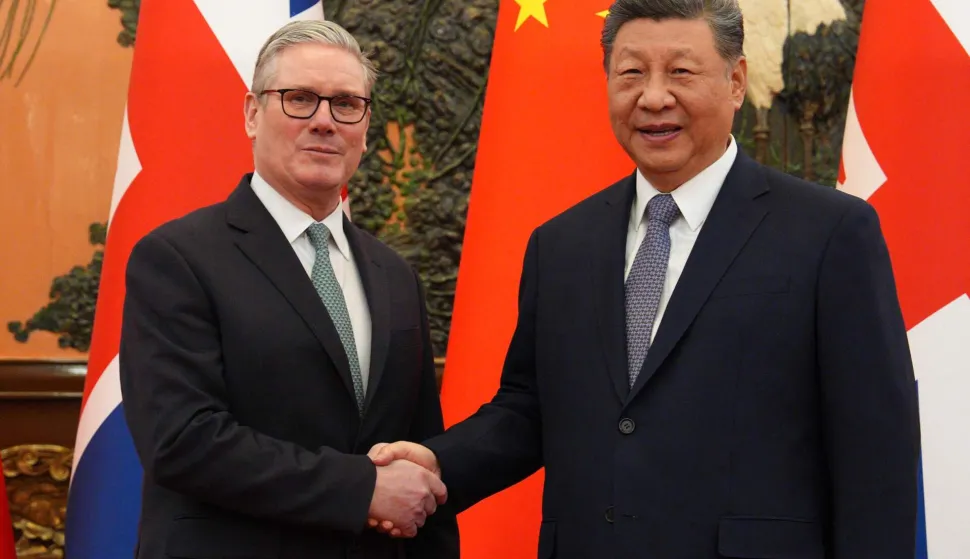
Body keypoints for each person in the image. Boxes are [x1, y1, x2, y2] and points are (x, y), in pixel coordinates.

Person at [369, 0, 921, 557]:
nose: (654, 97)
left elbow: (876, 452)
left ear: (736, 82)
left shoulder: (829, 233)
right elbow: (530, 407)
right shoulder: (560, 244)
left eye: (681, 71)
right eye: (631, 73)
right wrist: (440, 463)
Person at [118, 20, 458, 559]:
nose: (325, 121)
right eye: (299, 99)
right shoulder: (176, 258)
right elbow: (181, 441)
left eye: (347, 104)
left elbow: (419, 453)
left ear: (365, 129)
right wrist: (361, 488)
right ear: (252, 114)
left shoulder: (395, 275)